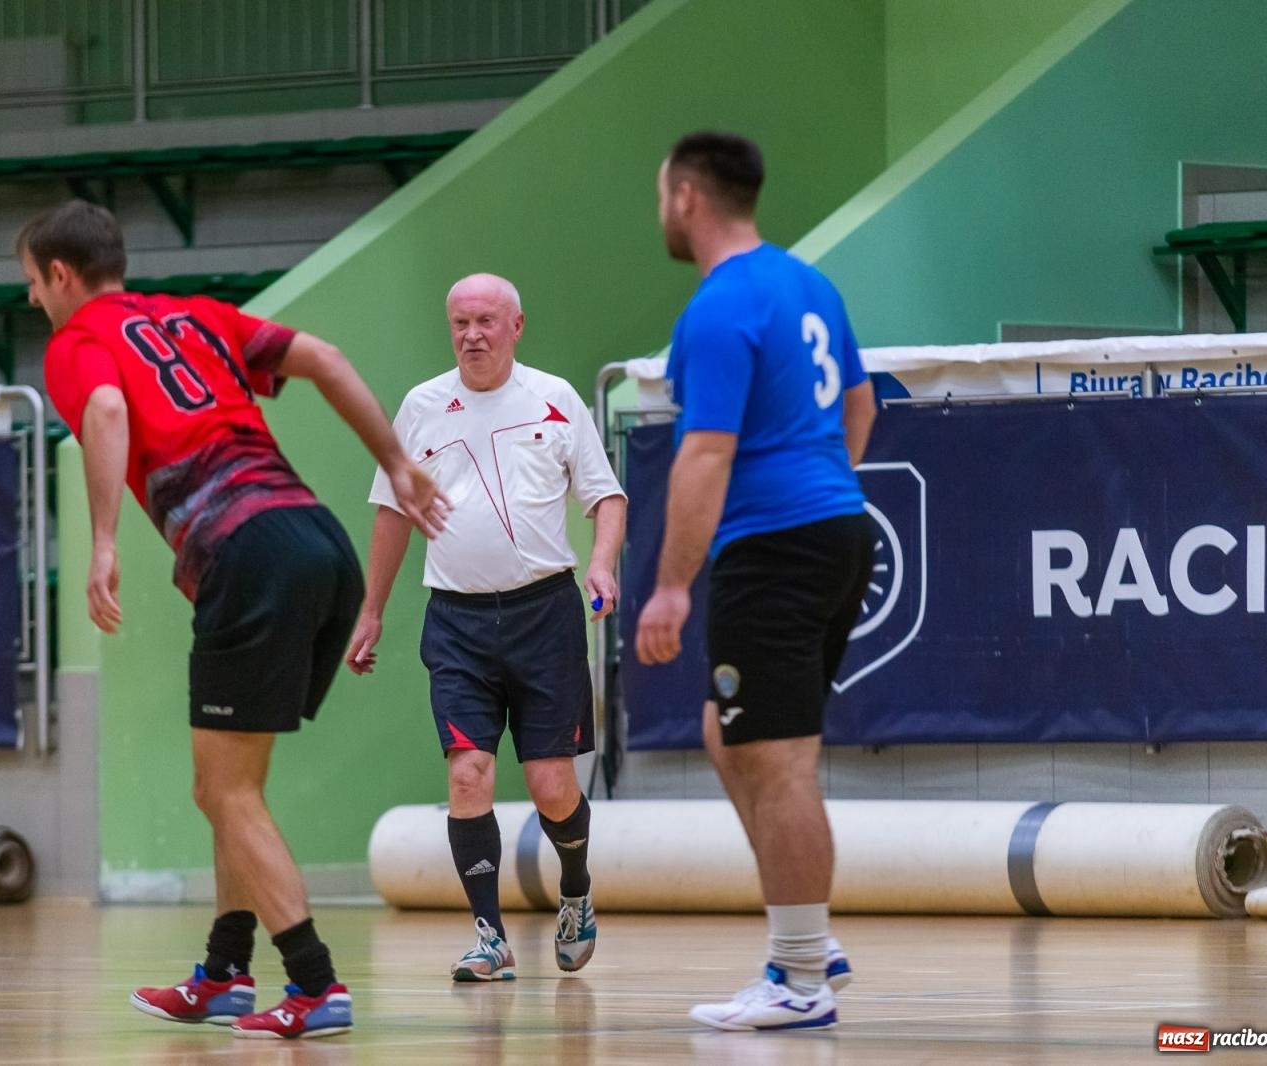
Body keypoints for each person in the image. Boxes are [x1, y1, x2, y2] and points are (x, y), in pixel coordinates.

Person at [18, 201, 447, 1040]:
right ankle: (223, 973)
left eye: (33, 282)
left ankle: (316, 986)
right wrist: (395, 461)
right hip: (319, 542)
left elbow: (106, 412)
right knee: (233, 788)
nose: (33, 298)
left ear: (61, 275)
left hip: (248, 556)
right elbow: (324, 358)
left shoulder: (76, 341)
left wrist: (102, 542)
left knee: (223, 791)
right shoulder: (200, 315)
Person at [634, 132, 878, 1032]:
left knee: (778, 763)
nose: (660, 210)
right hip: (835, 530)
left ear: (687, 196)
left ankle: (800, 975)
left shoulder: (719, 305)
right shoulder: (809, 284)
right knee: (728, 733)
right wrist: (825, 486)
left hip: (775, 548)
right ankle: (810, 934)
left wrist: (671, 586)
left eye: (661, 194)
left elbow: (704, 453)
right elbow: (862, 403)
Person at [345, 273, 626, 982]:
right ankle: (489, 937)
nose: (472, 335)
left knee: (550, 784)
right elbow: (392, 512)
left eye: (485, 322)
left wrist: (601, 563)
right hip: (457, 622)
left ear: (516, 326)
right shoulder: (421, 407)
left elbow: (606, 496)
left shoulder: (555, 399)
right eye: (460, 323)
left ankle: (575, 888)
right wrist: (371, 610)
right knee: (467, 774)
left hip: (546, 616)